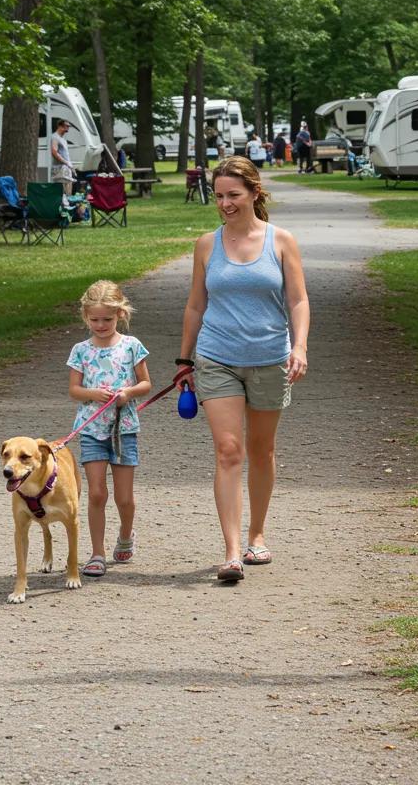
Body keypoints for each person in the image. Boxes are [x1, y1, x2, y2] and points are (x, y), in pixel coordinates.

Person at [177, 156, 310, 582]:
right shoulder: (206, 244)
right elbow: (196, 305)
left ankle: (257, 534)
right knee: (228, 450)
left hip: (271, 357)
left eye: (233, 195)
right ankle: (232, 550)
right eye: (219, 196)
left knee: (261, 450)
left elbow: (298, 301)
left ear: (255, 192)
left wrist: (300, 346)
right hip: (217, 357)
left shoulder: (281, 241)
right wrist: (185, 359)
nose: (225, 203)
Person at [68, 280, 152, 578]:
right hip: (92, 430)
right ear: (85, 317)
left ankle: (126, 535)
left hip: (123, 429)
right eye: (94, 320)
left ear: (120, 315)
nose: (101, 325)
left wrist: (128, 393)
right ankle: (97, 552)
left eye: (107, 319)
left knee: (124, 497)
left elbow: (146, 383)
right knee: (96, 494)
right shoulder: (81, 350)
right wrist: (93, 395)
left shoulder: (131, 347)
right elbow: (74, 390)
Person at [51, 118, 75, 194]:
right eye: (66, 126)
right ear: (59, 126)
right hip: (59, 169)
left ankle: (67, 204)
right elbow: (54, 152)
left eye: (68, 126)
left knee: (68, 191)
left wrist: (69, 164)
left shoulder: (63, 139)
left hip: (65, 168)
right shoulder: (55, 137)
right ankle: (62, 205)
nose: (68, 127)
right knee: (61, 191)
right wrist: (66, 163)